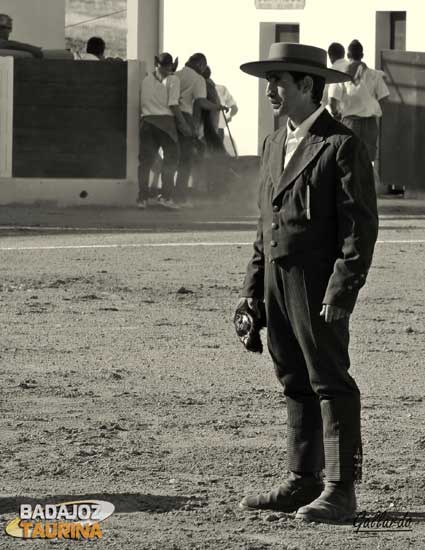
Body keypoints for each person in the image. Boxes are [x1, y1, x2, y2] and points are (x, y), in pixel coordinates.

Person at [236, 42, 378, 523]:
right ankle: (303, 479)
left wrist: (342, 290)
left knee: (329, 378)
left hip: (318, 284)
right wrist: (252, 292)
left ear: (307, 85)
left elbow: (359, 229)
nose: (270, 89)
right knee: (293, 377)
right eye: (270, 80)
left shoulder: (340, 145)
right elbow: (264, 225)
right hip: (279, 280)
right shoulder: (275, 143)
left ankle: (341, 489)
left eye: (279, 81)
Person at [138, 52, 190, 209]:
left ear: (156, 63)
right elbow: (173, 104)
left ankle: (142, 198)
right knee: (171, 160)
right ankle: (165, 197)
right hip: (165, 125)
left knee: (145, 163)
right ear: (171, 65)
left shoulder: (146, 79)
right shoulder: (173, 79)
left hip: (146, 123)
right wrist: (184, 125)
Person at [328, 39, 389, 163]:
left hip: (349, 123)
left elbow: (332, 101)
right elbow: (385, 99)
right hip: (370, 123)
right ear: (362, 55)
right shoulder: (374, 75)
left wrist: (336, 114)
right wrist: (373, 109)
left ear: (348, 55)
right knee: (368, 161)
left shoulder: (342, 75)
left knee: (347, 160)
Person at [174, 53, 223, 205]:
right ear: (201, 65)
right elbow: (201, 102)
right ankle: (179, 197)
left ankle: (166, 194)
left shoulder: (175, 75)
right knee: (185, 159)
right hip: (186, 117)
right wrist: (218, 106)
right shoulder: (198, 79)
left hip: (169, 117)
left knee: (171, 157)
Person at [322, 42, 349, 108]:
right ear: (343, 54)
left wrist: (335, 114)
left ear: (330, 56)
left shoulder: (331, 72)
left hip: (338, 115)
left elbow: (328, 99)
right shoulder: (354, 69)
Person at [216, 83, 238, 156]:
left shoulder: (221, 89)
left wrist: (229, 117)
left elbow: (234, 108)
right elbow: (234, 108)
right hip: (218, 127)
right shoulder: (221, 88)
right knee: (218, 153)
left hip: (203, 128)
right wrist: (229, 117)